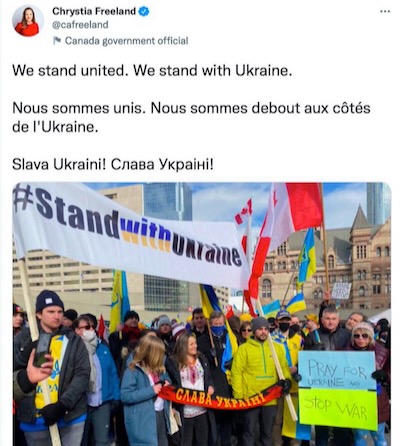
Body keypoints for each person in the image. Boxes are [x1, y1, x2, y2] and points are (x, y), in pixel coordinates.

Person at [13, 290, 90, 446]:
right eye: (51, 311)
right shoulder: (23, 338)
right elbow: (13, 371)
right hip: (34, 419)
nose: (56, 316)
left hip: (69, 416)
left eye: (59, 311)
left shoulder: (73, 340)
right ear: (39, 314)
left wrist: (63, 405)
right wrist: (25, 353)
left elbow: (82, 374)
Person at [231, 316, 292, 446]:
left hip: (270, 397)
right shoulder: (244, 349)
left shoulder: (277, 348)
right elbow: (236, 373)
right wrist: (239, 397)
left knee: (267, 433)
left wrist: (287, 380)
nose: (263, 332)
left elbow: (283, 368)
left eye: (266, 329)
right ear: (253, 330)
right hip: (251, 398)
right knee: (249, 433)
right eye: (260, 329)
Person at [304, 306, 352, 445]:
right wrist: (312, 351)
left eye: (333, 319)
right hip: (321, 389)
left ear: (338, 320)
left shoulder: (347, 335)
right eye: (327, 319)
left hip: (342, 387)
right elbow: (305, 361)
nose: (331, 322)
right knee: (322, 428)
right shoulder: (312, 336)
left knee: (341, 428)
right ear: (321, 319)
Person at [73, 315, 120, 446]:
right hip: (81, 403)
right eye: (87, 327)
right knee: (81, 440)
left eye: (93, 327)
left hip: (102, 402)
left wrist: (116, 397)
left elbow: (113, 374)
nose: (91, 330)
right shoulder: (73, 349)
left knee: (102, 440)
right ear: (76, 330)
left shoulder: (103, 349)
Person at [165, 332, 216, 446]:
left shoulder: (201, 359)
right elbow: (171, 385)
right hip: (184, 411)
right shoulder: (173, 362)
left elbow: (208, 378)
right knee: (185, 442)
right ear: (183, 345)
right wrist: (172, 407)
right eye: (191, 344)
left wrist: (210, 386)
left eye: (195, 343)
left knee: (202, 442)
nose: (195, 346)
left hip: (202, 409)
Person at [120, 336, 172, 446]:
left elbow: (167, 378)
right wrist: (151, 391)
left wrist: (167, 382)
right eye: (160, 353)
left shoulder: (159, 368)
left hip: (161, 414)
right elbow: (125, 396)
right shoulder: (132, 370)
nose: (162, 356)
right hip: (143, 419)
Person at [346, 322, 390, 446]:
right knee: (359, 437)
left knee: (379, 438)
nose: (360, 339)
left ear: (370, 336)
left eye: (365, 335)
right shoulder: (344, 352)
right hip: (356, 403)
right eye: (357, 335)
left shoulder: (384, 352)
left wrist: (385, 375)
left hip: (377, 402)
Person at [197, 310, 234, 446]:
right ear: (210, 324)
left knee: (226, 421)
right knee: (213, 422)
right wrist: (207, 355)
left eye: (220, 323)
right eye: (215, 323)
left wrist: (233, 361)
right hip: (212, 384)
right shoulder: (203, 340)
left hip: (227, 384)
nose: (218, 325)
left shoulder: (230, 338)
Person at [271, 310, 304, 446]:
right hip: (278, 384)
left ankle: (295, 443)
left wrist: (298, 368)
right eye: (281, 320)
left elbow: (303, 356)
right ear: (277, 322)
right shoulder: (271, 339)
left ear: (290, 321)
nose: (284, 322)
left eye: (287, 320)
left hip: (295, 384)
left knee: (295, 418)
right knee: (277, 419)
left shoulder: (299, 339)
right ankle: (277, 443)